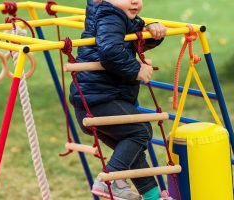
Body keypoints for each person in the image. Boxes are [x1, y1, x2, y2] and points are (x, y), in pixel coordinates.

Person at [69, 0, 168, 199]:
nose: (135, 1)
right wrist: (136, 69)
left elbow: (128, 42)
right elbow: (111, 52)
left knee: (133, 151)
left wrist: (151, 32)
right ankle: (110, 181)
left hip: (93, 101)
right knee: (141, 131)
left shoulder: (114, 15)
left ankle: (152, 196)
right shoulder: (111, 17)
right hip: (100, 101)